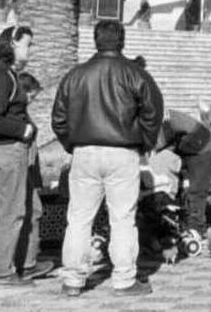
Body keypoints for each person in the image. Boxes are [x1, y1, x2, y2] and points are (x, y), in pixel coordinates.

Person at [52, 19, 165, 296]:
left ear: (95, 40)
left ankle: (72, 279)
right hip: (122, 151)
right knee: (123, 217)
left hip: (85, 150)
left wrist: (73, 144)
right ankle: (124, 279)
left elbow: (59, 117)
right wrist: (144, 143)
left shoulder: (76, 75)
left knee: (79, 218)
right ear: (122, 41)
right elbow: (153, 111)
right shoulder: (134, 74)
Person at [0, 25, 54, 286]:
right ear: (12, 43)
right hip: (9, 150)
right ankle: (1, 271)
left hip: (14, 150)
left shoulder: (7, 75)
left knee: (29, 208)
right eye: (27, 44)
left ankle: (26, 262)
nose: (30, 50)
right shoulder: (1, 76)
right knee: (11, 212)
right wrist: (25, 129)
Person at [161, 100, 211, 250]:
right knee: (182, 188)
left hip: (203, 148)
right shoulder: (158, 119)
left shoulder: (160, 121)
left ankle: (196, 228)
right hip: (188, 146)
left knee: (196, 189)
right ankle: (183, 222)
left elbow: (157, 144)